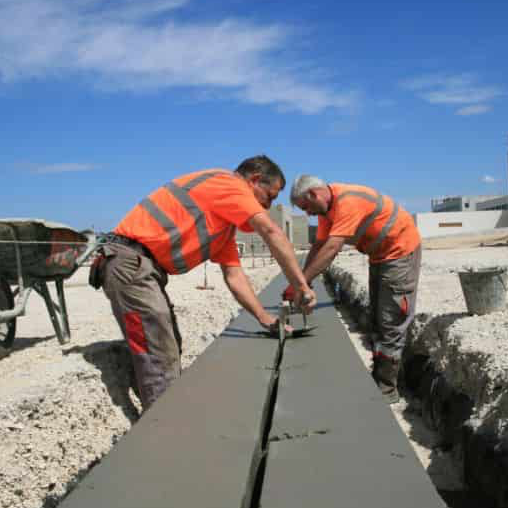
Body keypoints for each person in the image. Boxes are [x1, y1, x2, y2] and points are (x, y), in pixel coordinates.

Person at [89, 156, 316, 410]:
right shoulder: (227, 184)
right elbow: (272, 231)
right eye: (269, 196)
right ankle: (163, 425)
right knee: (159, 351)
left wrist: (265, 319)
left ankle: (160, 407)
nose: (267, 206)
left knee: (168, 343)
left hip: (144, 268)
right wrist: (301, 286)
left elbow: (235, 276)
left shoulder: (223, 226)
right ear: (253, 180)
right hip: (129, 262)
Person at [285, 175, 421, 404]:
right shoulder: (326, 211)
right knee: (377, 319)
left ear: (314, 194)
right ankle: (380, 378)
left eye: (306, 207)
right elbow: (319, 245)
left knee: (391, 320)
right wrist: (301, 280)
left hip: (399, 253)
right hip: (379, 256)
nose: (308, 213)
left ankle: (387, 391)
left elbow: (332, 248)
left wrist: (301, 283)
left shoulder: (348, 201)